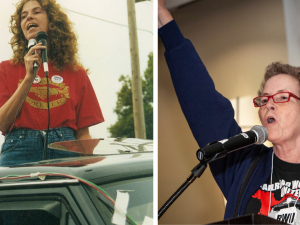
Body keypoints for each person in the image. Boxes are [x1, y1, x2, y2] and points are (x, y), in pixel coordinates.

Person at [159, 0, 300, 224]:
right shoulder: (245, 166)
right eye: (264, 99)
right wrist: (162, 17)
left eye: (283, 97)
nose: (269, 105)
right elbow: (203, 105)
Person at [0, 0, 104, 167]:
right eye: (24, 16)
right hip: (19, 149)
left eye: (37, 12)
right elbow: (2, 123)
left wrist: (88, 169)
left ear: (53, 21)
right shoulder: (6, 68)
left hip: (66, 148)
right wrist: (28, 78)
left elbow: (83, 134)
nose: (29, 17)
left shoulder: (76, 72)